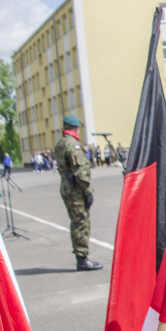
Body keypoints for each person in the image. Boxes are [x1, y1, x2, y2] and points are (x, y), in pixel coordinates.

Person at [54, 114, 103, 271]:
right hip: (76, 189)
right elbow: (80, 170)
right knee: (81, 222)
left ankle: (81, 256)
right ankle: (82, 259)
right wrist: (88, 191)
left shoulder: (61, 143)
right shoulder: (72, 144)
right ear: (75, 128)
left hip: (67, 187)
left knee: (76, 222)